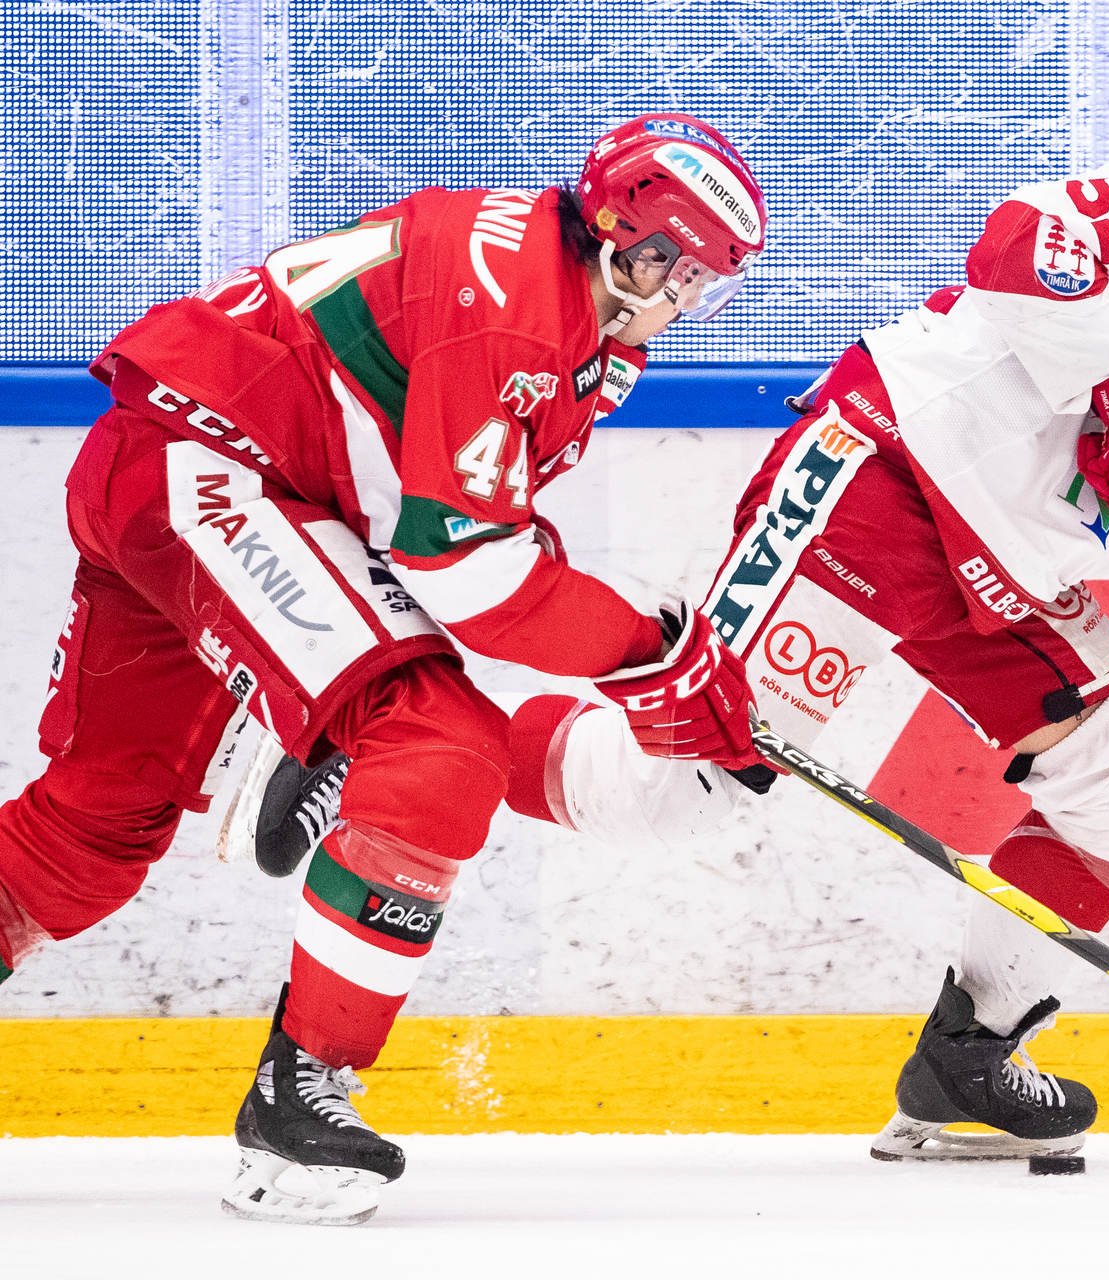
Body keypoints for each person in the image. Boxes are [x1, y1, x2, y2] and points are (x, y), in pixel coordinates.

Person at [246, 81, 1109, 1164]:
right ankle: (371, 735)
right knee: (683, 788)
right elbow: (1024, 241)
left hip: (1007, 562)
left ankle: (968, 1057)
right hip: (879, 482)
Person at [0, 113, 769, 1224]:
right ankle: (298, 1092)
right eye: (680, 265)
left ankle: (314, 720)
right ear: (622, 236)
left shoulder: (572, 309)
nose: (688, 295)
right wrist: (656, 656)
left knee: (92, 827)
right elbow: (471, 575)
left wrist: (644, 662)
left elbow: (458, 531)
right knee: (437, 743)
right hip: (210, 476)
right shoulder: (513, 315)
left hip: (196, 468)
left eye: (706, 277)